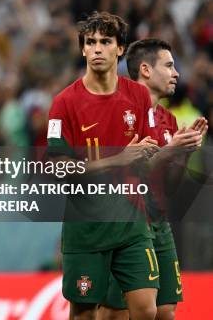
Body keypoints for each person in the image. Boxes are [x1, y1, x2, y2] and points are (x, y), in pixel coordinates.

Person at [46, 12, 160, 320]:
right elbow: (57, 170)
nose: (97, 48)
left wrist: (166, 150)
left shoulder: (138, 96)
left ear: (120, 49)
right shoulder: (64, 103)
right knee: (84, 314)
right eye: (90, 42)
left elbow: (149, 152)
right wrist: (116, 160)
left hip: (131, 223)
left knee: (147, 309)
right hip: (86, 230)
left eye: (105, 42)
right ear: (82, 49)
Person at [98, 38, 207, 320]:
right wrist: (172, 149)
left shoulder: (169, 120)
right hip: (125, 222)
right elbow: (133, 170)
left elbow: (169, 186)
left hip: (158, 221)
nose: (176, 73)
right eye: (169, 66)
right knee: (115, 312)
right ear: (146, 70)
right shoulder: (121, 113)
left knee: (165, 309)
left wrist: (183, 152)